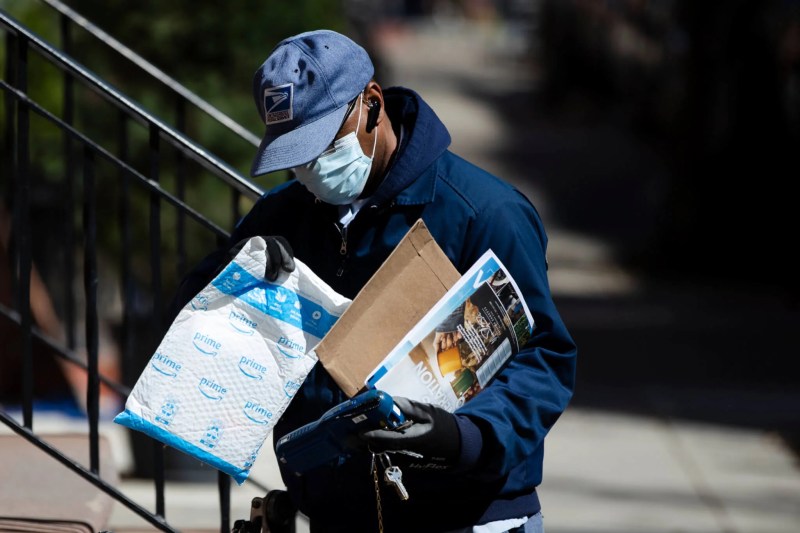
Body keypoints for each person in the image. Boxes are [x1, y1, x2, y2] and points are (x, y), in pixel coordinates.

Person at [171, 29, 577, 533]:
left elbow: (545, 358)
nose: (311, 168)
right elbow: (187, 327)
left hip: (468, 517)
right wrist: (230, 277)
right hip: (338, 515)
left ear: (372, 103)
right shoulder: (281, 216)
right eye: (295, 156)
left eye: (322, 144)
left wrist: (462, 436)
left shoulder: (485, 212)